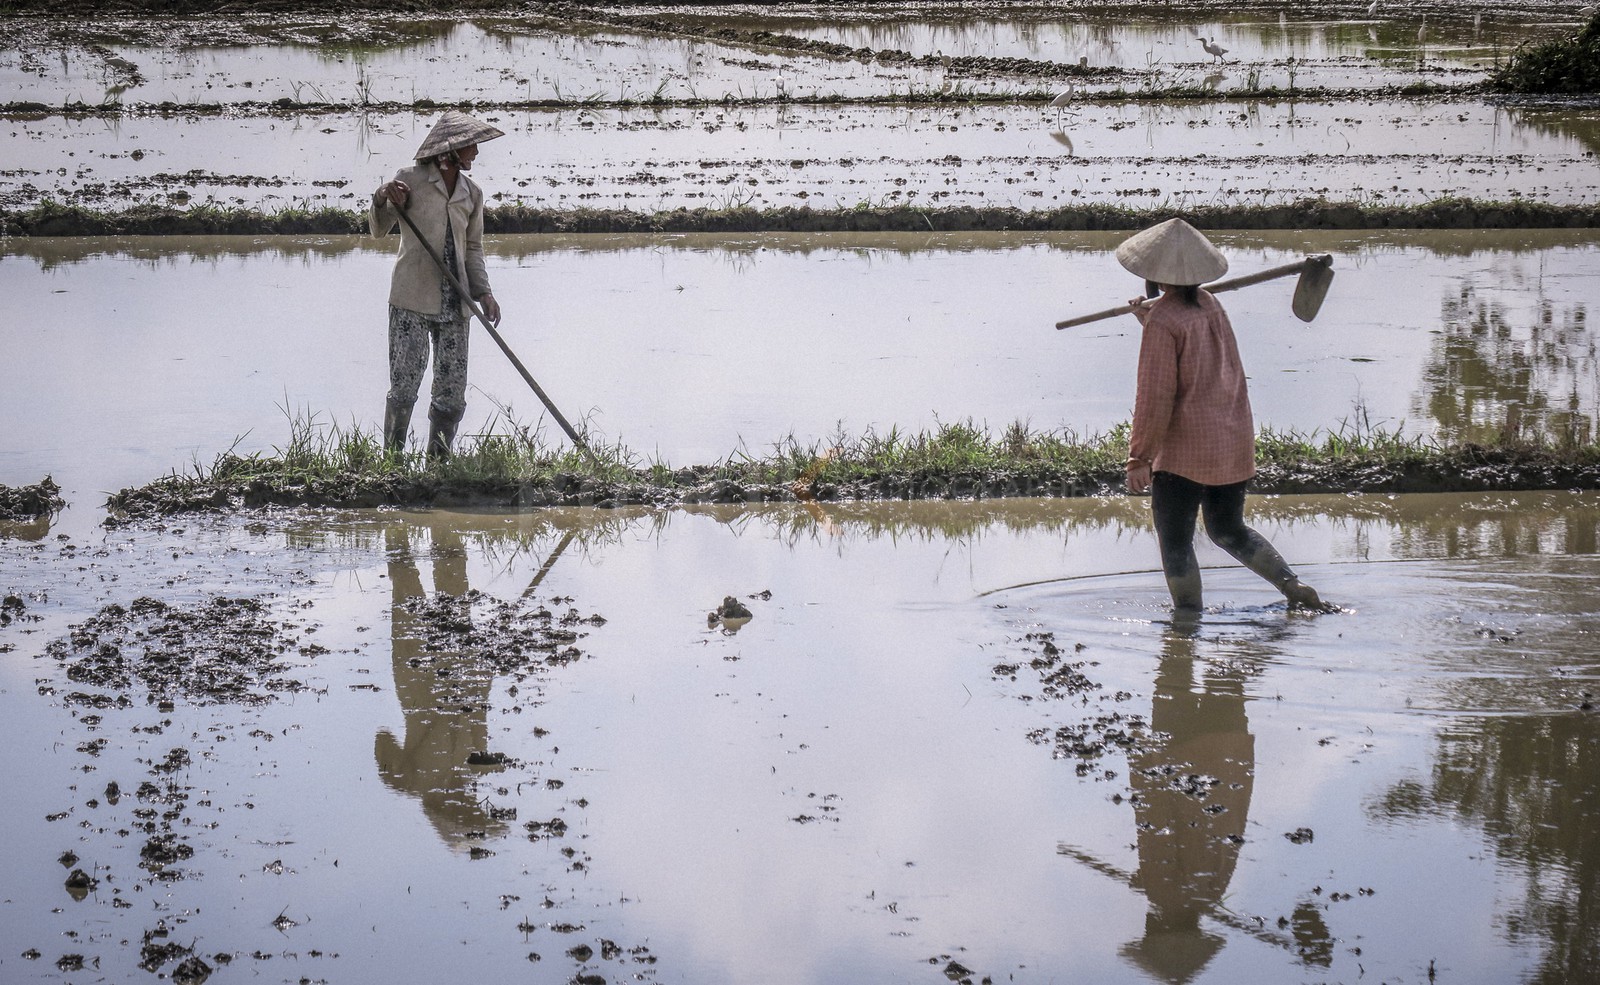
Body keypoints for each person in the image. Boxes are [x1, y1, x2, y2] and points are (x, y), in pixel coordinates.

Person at [1119, 217, 1325, 618]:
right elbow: (1202, 358)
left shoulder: (1165, 321)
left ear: (1154, 275)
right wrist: (1151, 321)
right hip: (1229, 441)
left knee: (1175, 541)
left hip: (1184, 454)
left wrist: (1139, 458)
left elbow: (1155, 397)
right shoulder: (1211, 304)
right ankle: (1293, 585)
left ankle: (1187, 621)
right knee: (1228, 529)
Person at [371, 109, 505, 460]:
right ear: (449, 152)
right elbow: (378, 228)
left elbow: (473, 247)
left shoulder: (471, 193)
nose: (475, 152)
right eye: (470, 146)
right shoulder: (409, 181)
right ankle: (392, 462)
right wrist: (383, 196)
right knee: (404, 385)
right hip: (411, 299)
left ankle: (438, 464)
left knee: (451, 391)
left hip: (456, 302)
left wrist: (484, 292)